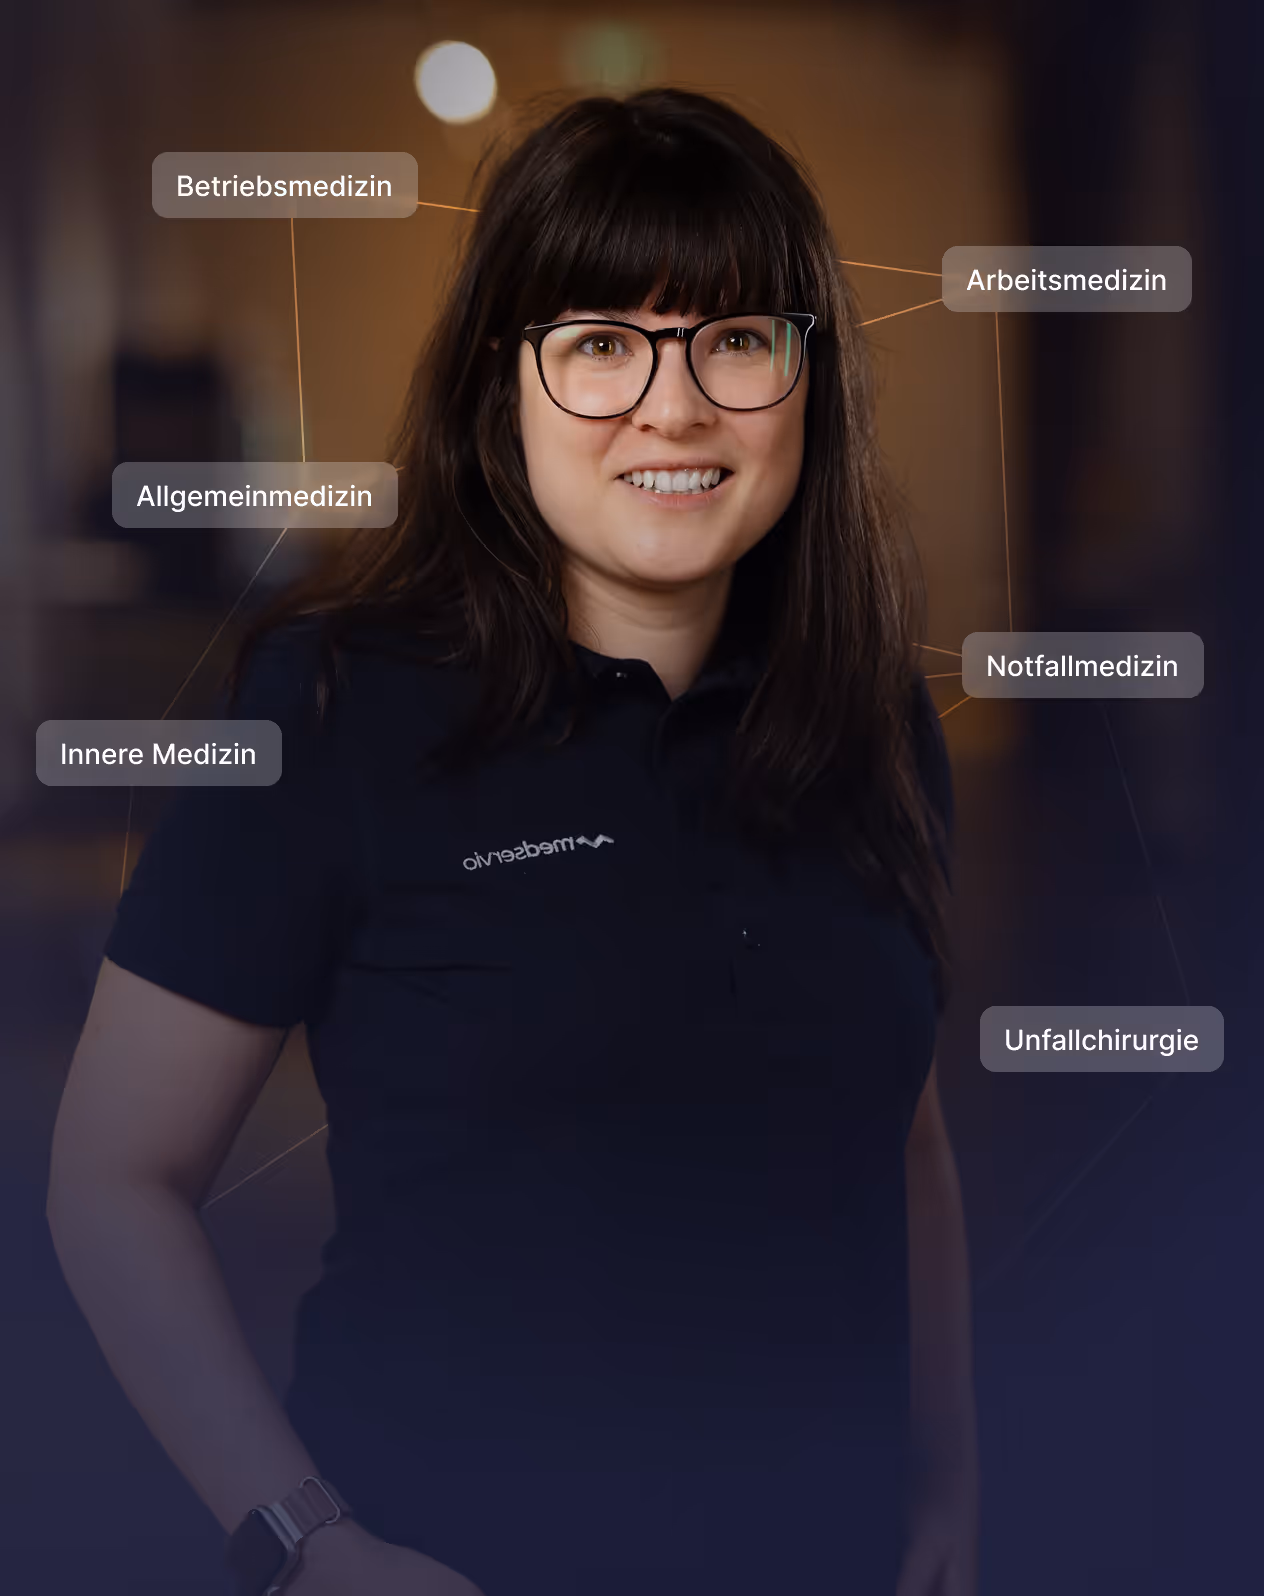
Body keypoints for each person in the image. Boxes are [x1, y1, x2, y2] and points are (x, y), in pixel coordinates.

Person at [46, 88, 978, 1596]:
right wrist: (305, 1546)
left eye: (737, 338)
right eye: (601, 342)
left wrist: (947, 1482)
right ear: (506, 389)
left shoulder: (872, 722)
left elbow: (904, 1131)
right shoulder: (336, 708)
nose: (673, 408)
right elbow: (110, 1178)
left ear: (812, 381)